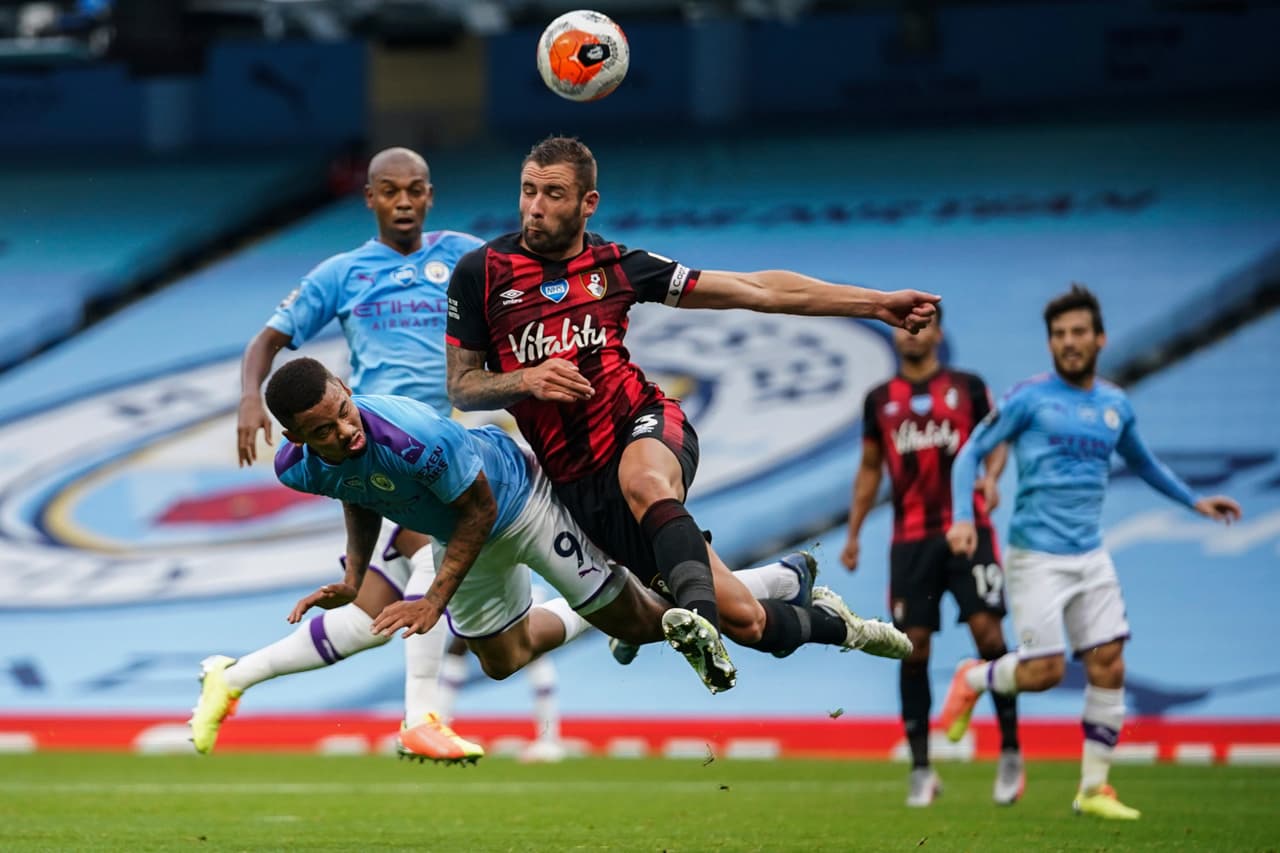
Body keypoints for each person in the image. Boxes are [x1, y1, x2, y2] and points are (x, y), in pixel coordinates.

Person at [444, 136, 926, 692]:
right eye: (528, 191)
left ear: (587, 203)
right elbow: (463, 385)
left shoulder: (619, 267)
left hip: (642, 425)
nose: (535, 207)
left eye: (553, 194)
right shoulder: (482, 273)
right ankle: (834, 624)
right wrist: (525, 379)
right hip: (580, 486)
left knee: (646, 481)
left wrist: (874, 303)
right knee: (748, 620)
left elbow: (754, 289)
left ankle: (697, 623)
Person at [191, 147, 510, 762]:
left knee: (370, 620)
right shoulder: (343, 272)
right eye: (390, 191)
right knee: (437, 565)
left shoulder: (466, 256)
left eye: (414, 190)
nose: (403, 202)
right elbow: (268, 340)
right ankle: (422, 716)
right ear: (370, 198)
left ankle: (230, 678)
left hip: (440, 443)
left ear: (430, 194)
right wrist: (249, 397)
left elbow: (520, 304)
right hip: (375, 443)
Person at [939, 284, 1242, 820]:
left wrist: (1194, 501)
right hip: (1037, 558)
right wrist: (964, 518)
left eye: (1078, 332)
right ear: (1050, 343)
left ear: (1099, 338)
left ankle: (1094, 789)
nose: (1069, 342)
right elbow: (970, 455)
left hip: (1091, 555)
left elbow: (1144, 463)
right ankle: (973, 678)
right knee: (1046, 673)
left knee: (1110, 662)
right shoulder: (1028, 398)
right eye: (1059, 335)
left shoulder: (1114, 405)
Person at [257, 358, 692, 706]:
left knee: (642, 625)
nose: (346, 431)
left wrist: (433, 601)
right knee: (503, 661)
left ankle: (732, 595)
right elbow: (356, 491)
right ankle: (603, 604)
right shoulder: (296, 469)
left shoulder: (413, 435)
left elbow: (479, 511)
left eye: (344, 412)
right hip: (460, 530)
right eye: (324, 431)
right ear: (295, 436)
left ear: (345, 390)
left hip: (521, 497)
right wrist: (354, 578)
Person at [840, 306, 1023, 807]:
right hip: (910, 541)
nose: (911, 334)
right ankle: (922, 768)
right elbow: (870, 469)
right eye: (902, 326)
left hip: (968, 530)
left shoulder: (968, 388)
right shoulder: (880, 400)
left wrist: (991, 477)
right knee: (912, 647)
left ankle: (1010, 752)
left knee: (989, 634)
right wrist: (854, 534)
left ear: (940, 333)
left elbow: (999, 439)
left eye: (920, 326)